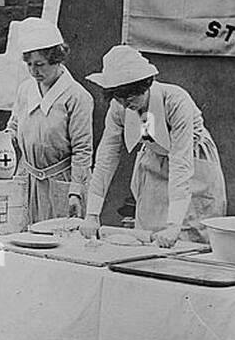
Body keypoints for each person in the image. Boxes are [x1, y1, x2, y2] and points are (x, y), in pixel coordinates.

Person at [82, 45, 227, 246]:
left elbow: (181, 163)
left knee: (188, 234)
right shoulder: (118, 108)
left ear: (145, 85)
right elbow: (106, 159)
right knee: (148, 235)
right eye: (119, 98)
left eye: (130, 98)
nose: (125, 105)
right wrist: (92, 213)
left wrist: (174, 224)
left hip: (193, 165)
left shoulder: (176, 101)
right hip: (153, 164)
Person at [5, 17, 93, 222]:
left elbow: (82, 150)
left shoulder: (77, 97)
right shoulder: (25, 90)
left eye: (40, 64)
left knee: (59, 237)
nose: (34, 71)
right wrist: (3, 140)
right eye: (29, 64)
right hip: (26, 179)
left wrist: (75, 192)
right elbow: (14, 126)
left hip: (62, 182)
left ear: (56, 59)